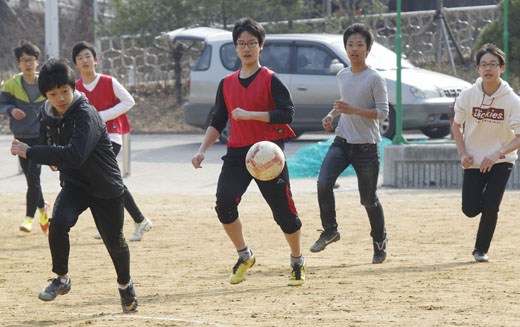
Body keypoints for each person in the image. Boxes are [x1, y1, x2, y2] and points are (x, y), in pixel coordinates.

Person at [10, 59, 138, 313]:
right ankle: (61, 279)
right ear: (45, 94)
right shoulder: (46, 113)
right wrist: (49, 156)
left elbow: (75, 155)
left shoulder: (85, 113)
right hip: (75, 184)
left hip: (105, 187)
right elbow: (49, 140)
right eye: (53, 94)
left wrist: (32, 152)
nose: (60, 98)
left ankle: (126, 286)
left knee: (115, 243)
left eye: (65, 92)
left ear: (73, 87)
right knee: (58, 223)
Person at [191, 17, 305, 286]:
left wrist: (251, 115)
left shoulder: (271, 79)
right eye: (241, 44)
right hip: (238, 155)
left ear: (261, 46)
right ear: (235, 47)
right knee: (224, 204)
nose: (246, 48)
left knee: (284, 214)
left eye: (252, 43)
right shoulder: (227, 84)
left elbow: (287, 114)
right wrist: (201, 150)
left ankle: (297, 261)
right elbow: (218, 121)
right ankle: (245, 255)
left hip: (268, 154)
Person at [309, 23, 389, 264]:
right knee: (323, 183)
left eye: (359, 45)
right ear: (345, 48)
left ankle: (379, 241)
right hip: (342, 142)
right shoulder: (342, 75)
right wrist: (331, 116)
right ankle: (330, 230)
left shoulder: (375, 78)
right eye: (350, 45)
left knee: (368, 200)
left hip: (366, 147)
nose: (354, 49)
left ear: (368, 49)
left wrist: (353, 110)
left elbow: (383, 112)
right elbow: (343, 103)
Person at [72, 41, 152, 242]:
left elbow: (129, 101)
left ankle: (136, 220)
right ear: (76, 64)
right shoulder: (75, 88)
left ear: (96, 59)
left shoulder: (109, 81)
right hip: (88, 141)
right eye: (80, 58)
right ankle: (130, 221)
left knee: (103, 179)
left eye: (87, 56)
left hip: (111, 136)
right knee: (104, 181)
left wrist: (102, 116)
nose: (85, 60)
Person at [452, 43, 520, 262]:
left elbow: (518, 136)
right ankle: (488, 200)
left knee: (491, 205)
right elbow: (456, 126)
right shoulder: (467, 95)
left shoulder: (513, 100)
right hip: (474, 161)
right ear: (478, 69)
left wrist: (498, 153)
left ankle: (480, 250)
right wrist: (463, 154)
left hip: (501, 160)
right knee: (469, 209)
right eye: (484, 64)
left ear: (502, 68)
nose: (488, 68)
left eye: (493, 64)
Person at [0, 40, 50, 233]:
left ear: (37, 61)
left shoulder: (45, 82)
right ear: (18, 64)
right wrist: (11, 110)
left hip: (40, 138)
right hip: (20, 138)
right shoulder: (11, 85)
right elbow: (1, 104)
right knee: (31, 180)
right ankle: (43, 208)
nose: (28, 64)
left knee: (34, 176)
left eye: (31, 60)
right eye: (23, 61)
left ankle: (29, 217)